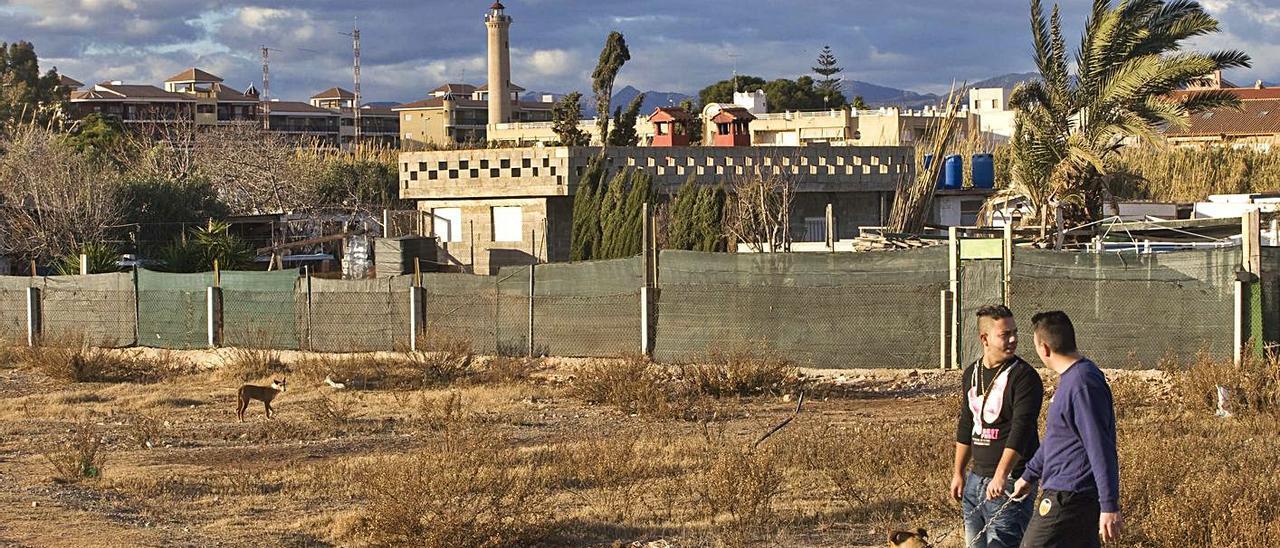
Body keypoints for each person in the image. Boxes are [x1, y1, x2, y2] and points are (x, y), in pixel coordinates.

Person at [1012, 311, 1123, 547]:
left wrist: (1109, 504)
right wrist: (1029, 475)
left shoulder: (1082, 383)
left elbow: (1100, 447)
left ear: (1044, 348)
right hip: (1068, 492)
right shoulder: (1072, 380)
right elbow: (1057, 438)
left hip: (1070, 494)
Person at [952, 304, 1044, 548]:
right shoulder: (971, 373)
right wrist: (958, 473)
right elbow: (967, 423)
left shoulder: (1024, 377)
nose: (1013, 339)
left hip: (1010, 481)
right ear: (985, 338)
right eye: (1005, 334)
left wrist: (1002, 475)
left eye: (1015, 332)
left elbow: (1022, 430)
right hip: (976, 479)